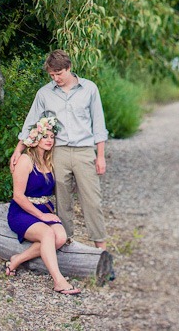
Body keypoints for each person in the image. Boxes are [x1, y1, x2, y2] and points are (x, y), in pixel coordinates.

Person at [10, 49, 108, 250]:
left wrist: (100, 156)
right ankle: (66, 244)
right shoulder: (44, 93)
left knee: (92, 201)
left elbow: (99, 125)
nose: (56, 79)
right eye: (52, 75)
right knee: (62, 201)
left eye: (59, 74)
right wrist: (17, 150)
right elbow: (31, 124)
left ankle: (101, 250)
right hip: (58, 152)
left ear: (69, 68)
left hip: (84, 151)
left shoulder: (89, 89)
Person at [6, 114, 81, 295]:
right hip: (22, 211)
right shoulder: (25, 160)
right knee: (47, 233)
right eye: (45, 136)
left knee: (60, 237)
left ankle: (17, 259)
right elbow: (18, 195)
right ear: (35, 137)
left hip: (43, 208)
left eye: (52, 137)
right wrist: (42, 216)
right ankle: (59, 281)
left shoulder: (50, 160)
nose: (49, 140)